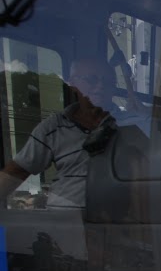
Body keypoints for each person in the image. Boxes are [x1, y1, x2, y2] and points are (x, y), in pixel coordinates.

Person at [0, 57, 128, 210]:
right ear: (73, 84)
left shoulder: (129, 124)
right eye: (92, 80)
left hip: (115, 224)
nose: (100, 86)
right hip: (61, 224)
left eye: (107, 82)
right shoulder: (53, 127)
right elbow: (18, 170)